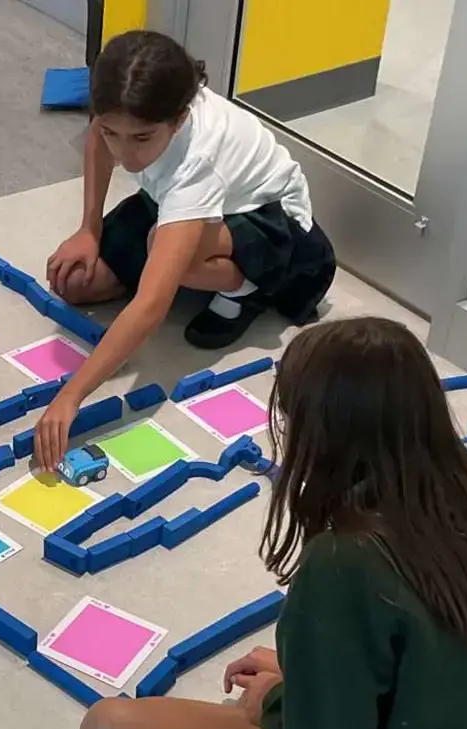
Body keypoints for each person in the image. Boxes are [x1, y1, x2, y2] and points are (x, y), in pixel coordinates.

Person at [77, 316, 467, 729]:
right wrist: (308, 677)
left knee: (111, 727)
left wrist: (278, 702)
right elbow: (452, 666)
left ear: (319, 432)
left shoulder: (343, 561)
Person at [35, 30, 335, 471]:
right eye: (114, 131)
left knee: (162, 247)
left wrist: (70, 397)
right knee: (76, 282)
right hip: (172, 201)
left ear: (178, 120)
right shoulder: (129, 128)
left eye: (140, 138)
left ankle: (244, 289)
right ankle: (183, 263)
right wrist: (88, 230)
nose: (124, 151)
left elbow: (152, 307)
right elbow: (99, 139)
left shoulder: (198, 161)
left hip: (271, 226)